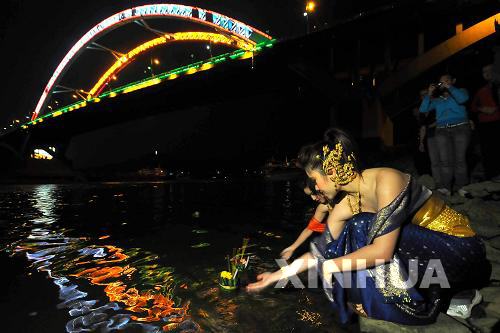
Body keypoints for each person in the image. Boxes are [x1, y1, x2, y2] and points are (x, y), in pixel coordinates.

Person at [247, 128, 489, 325]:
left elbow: (383, 251)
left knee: (362, 226)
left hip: (461, 250)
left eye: (315, 181)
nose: (316, 189)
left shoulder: (387, 180)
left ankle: (413, 305)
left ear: (331, 171)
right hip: (430, 262)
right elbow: (320, 250)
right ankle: (415, 296)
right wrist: (276, 276)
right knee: (352, 234)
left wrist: (332, 266)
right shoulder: (345, 205)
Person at [419, 74, 471, 196]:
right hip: (442, 130)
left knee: (460, 159)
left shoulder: (461, 91)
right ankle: (446, 187)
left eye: (447, 81)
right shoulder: (438, 100)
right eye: (441, 82)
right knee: (445, 161)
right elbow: (423, 110)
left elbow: (463, 99)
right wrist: (429, 94)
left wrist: (450, 87)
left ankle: (461, 186)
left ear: (453, 81)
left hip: (460, 128)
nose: (443, 83)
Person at [280, 179, 331, 260]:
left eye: (314, 193)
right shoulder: (322, 207)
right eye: (310, 195)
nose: (313, 198)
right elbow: (309, 229)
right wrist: (292, 248)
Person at [471, 64, 500, 180]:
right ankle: (490, 176)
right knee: (487, 150)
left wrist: (495, 109)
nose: (487, 74)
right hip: (485, 124)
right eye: (484, 72)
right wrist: (482, 109)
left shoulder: (497, 87)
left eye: (489, 71)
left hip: (497, 121)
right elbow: (473, 107)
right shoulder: (481, 90)